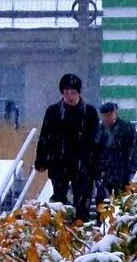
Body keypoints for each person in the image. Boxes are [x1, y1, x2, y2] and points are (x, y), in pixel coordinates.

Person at [35, 73, 99, 221]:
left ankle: (81, 227)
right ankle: (60, 231)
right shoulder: (54, 112)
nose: (69, 96)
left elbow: (95, 141)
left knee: (83, 201)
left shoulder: (89, 113)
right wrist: (42, 160)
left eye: (73, 92)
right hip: (59, 162)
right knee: (59, 201)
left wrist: (95, 165)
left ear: (79, 93)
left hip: (82, 164)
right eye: (66, 93)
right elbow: (45, 136)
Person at [94, 101, 137, 202]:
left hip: (122, 169)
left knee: (123, 199)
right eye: (105, 115)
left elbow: (135, 148)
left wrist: (132, 167)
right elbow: (95, 151)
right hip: (104, 171)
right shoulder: (100, 130)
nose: (107, 118)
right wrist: (96, 171)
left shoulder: (126, 127)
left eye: (110, 115)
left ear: (115, 113)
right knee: (103, 201)